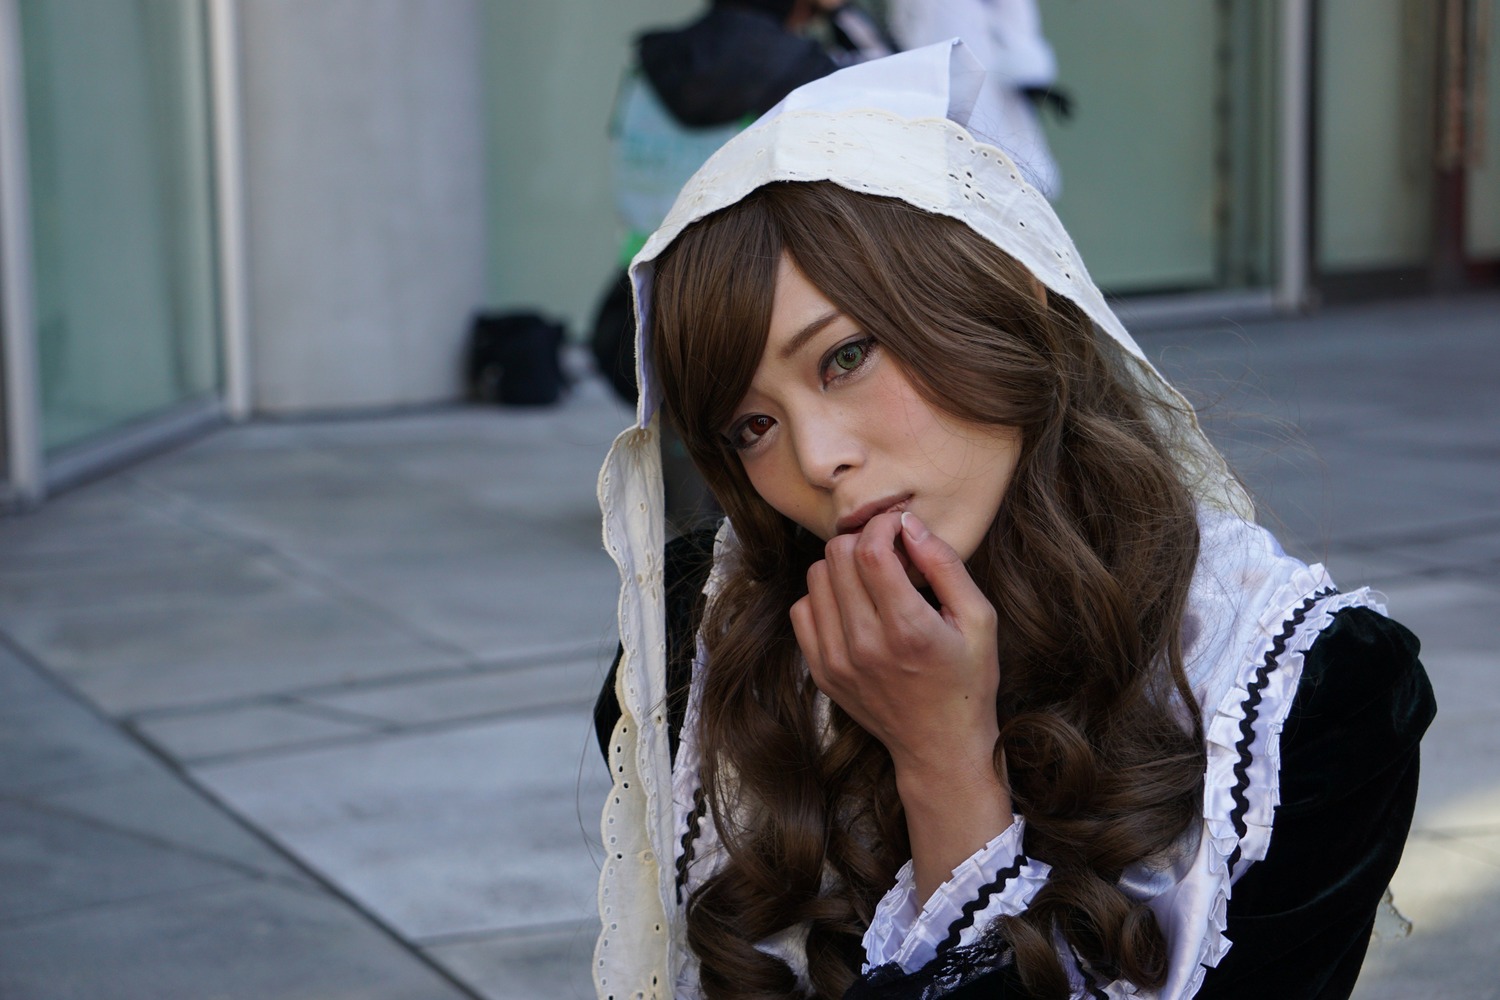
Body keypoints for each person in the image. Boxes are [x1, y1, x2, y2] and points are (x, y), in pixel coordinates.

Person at [592, 43, 1434, 1000]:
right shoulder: (694, 649)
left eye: (845, 356)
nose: (817, 459)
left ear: (1008, 290)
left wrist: (948, 767)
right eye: (753, 426)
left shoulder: (1310, 696)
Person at [885, 0, 1068, 198]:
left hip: (982, 60)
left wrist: (1026, 63)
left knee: (993, 145)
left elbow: (1015, 11)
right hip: (927, 62)